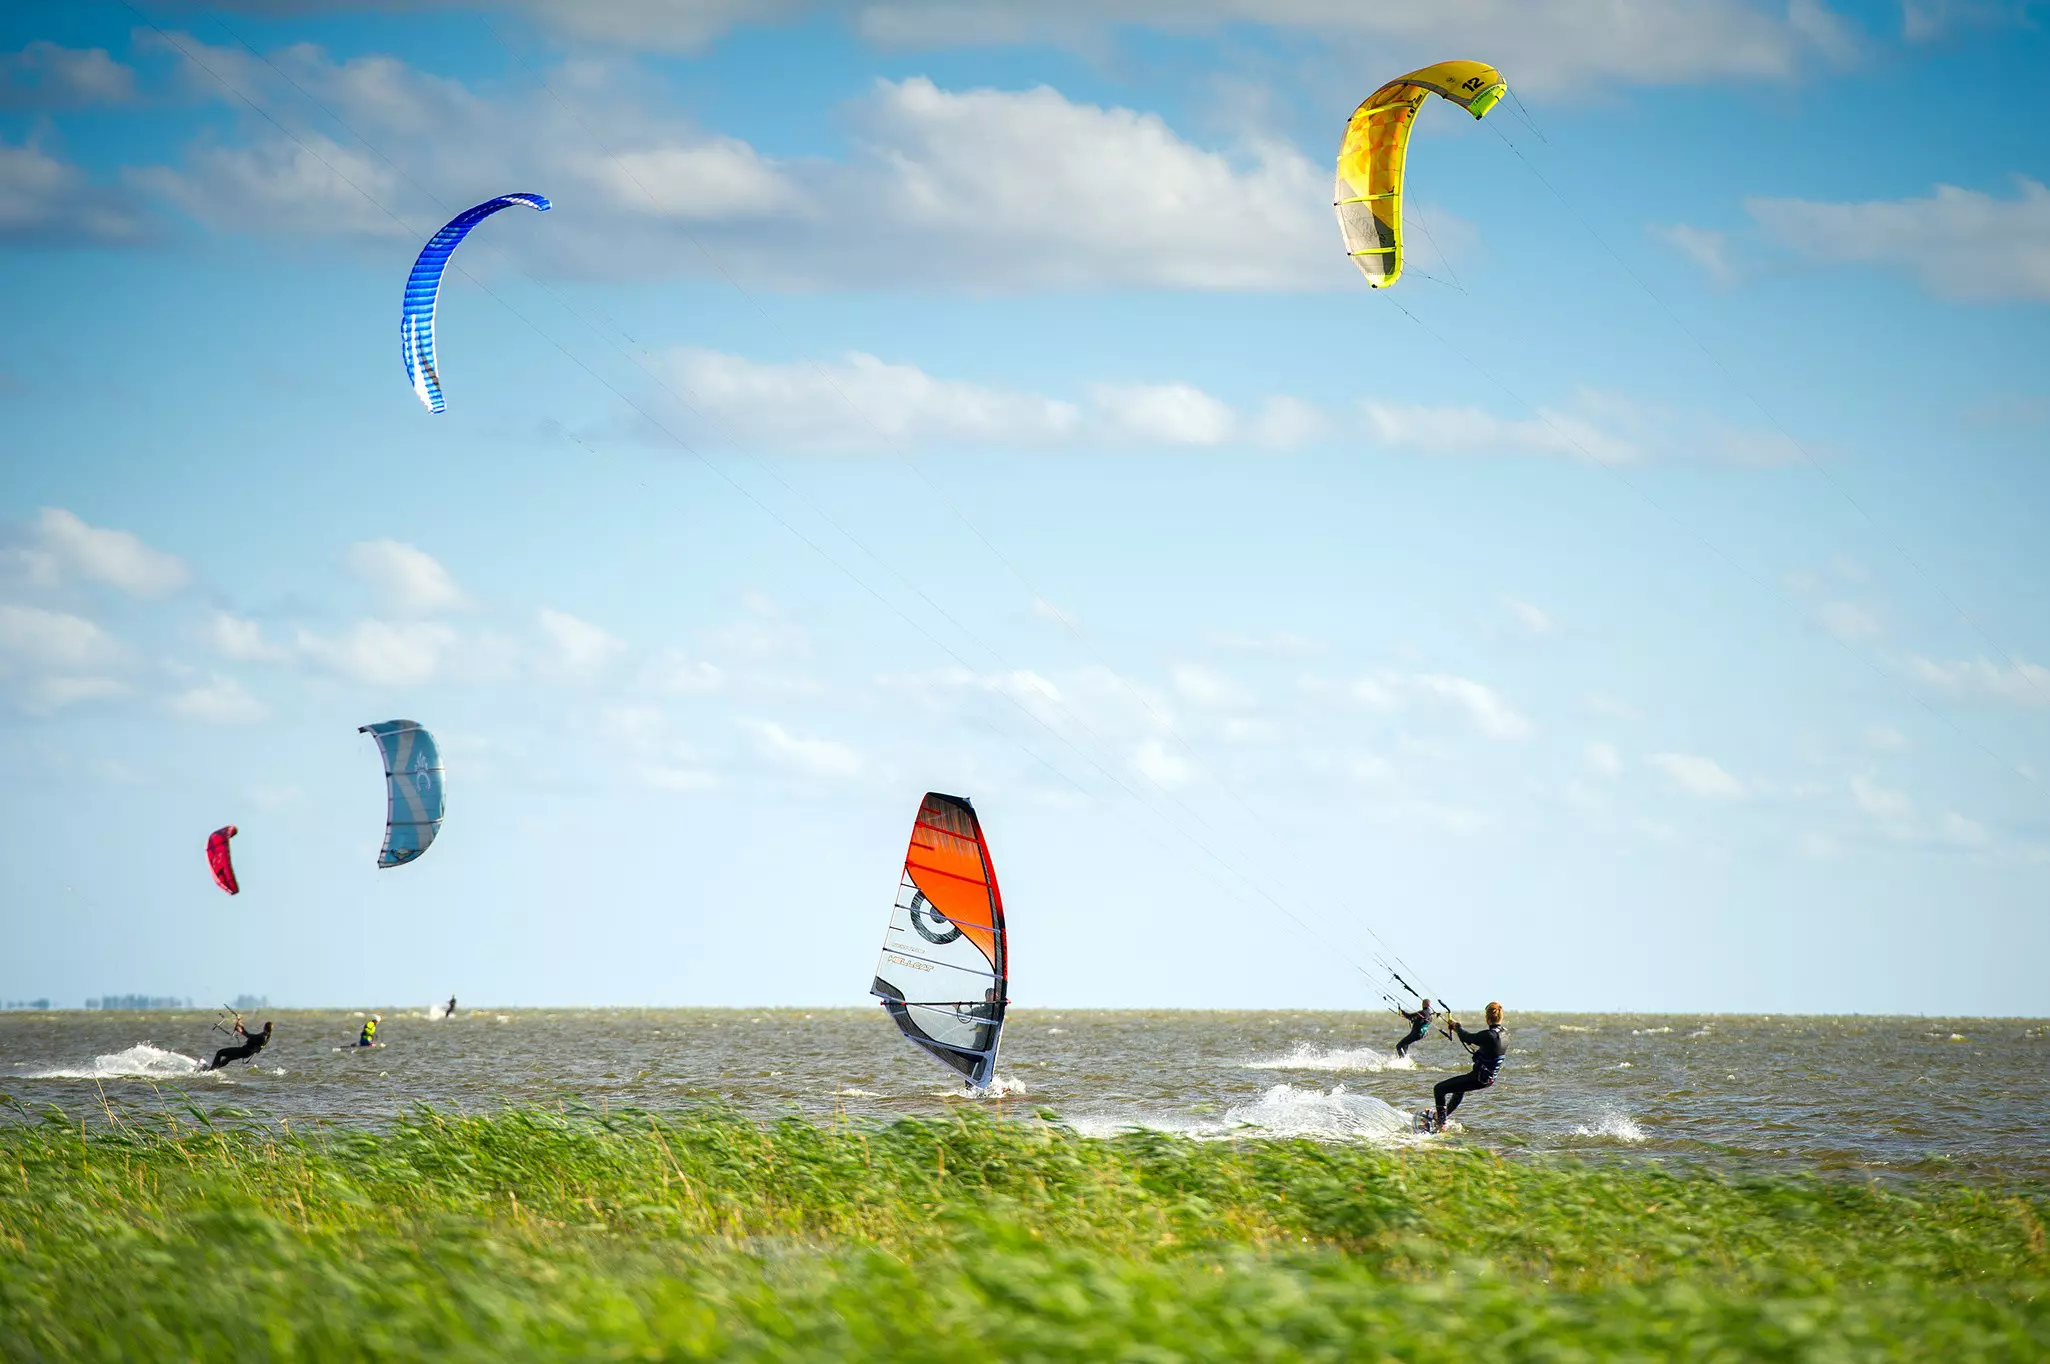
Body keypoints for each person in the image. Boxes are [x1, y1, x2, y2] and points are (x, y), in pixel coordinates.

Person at [1427, 1001, 1506, 1132]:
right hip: (1488, 1079)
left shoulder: (1489, 1035)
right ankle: (1441, 1117)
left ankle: (1440, 1124)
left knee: (1439, 1089)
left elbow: (1467, 1037)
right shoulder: (1505, 1034)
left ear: (1487, 1019)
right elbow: (1489, 1047)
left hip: (1479, 1078)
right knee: (1459, 1090)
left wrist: (1457, 1026)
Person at [207, 1020, 272, 1071]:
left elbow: (249, 1036)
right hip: (246, 1053)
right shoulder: (266, 1036)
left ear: (265, 1027)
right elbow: (250, 1036)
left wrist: (240, 1030)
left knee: (220, 1052)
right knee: (228, 1058)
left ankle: (211, 1070)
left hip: (244, 1051)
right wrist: (241, 1027)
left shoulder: (263, 1036)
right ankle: (215, 1068)